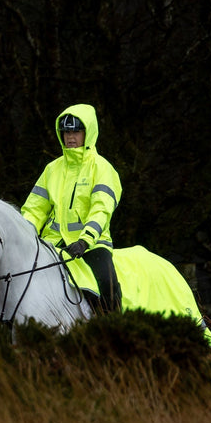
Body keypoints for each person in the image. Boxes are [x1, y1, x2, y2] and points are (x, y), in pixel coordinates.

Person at [22, 103, 122, 312]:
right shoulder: (52, 169)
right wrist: (24, 236)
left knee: (108, 285)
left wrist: (85, 240)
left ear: (89, 132)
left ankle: (114, 331)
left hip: (92, 245)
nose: (70, 136)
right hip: (53, 245)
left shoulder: (102, 168)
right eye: (66, 131)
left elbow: (101, 209)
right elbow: (34, 209)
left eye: (76, 130)